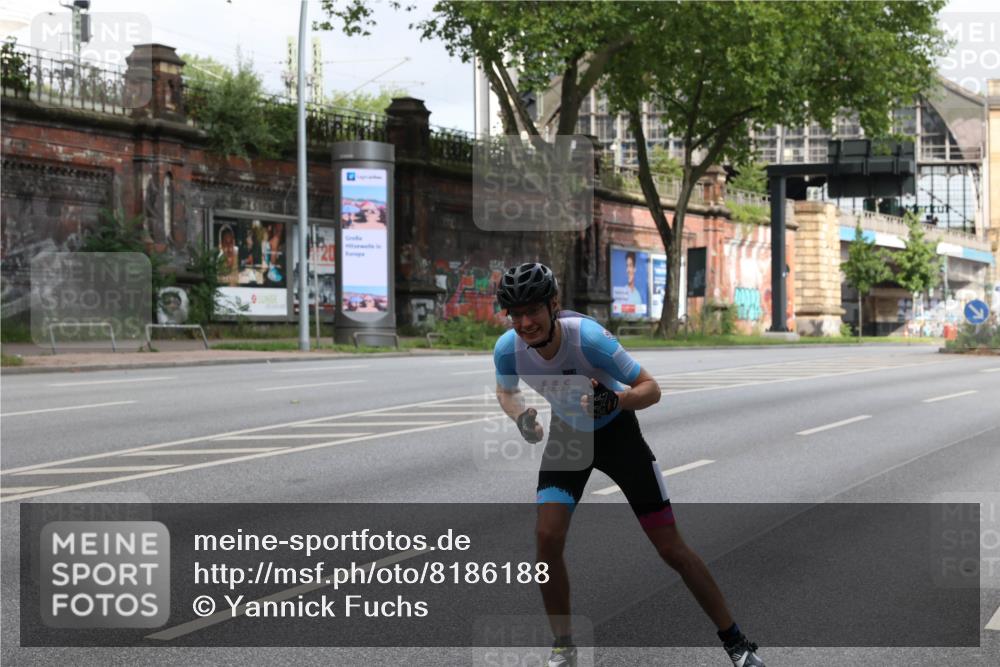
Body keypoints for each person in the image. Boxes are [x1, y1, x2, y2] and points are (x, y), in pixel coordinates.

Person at [492, 263, 764, 667]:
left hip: (618, 434)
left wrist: (617, 400)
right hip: (570, 438)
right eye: (515, 314)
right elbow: (505, 389)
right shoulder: (507, 348)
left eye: (533, 310)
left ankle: (736, 642)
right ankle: (564, 647)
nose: (525, 322)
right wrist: (520, 417)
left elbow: (651, 388)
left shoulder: (589, 339)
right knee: (547, 537)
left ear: (554, 304)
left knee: (671, 549)